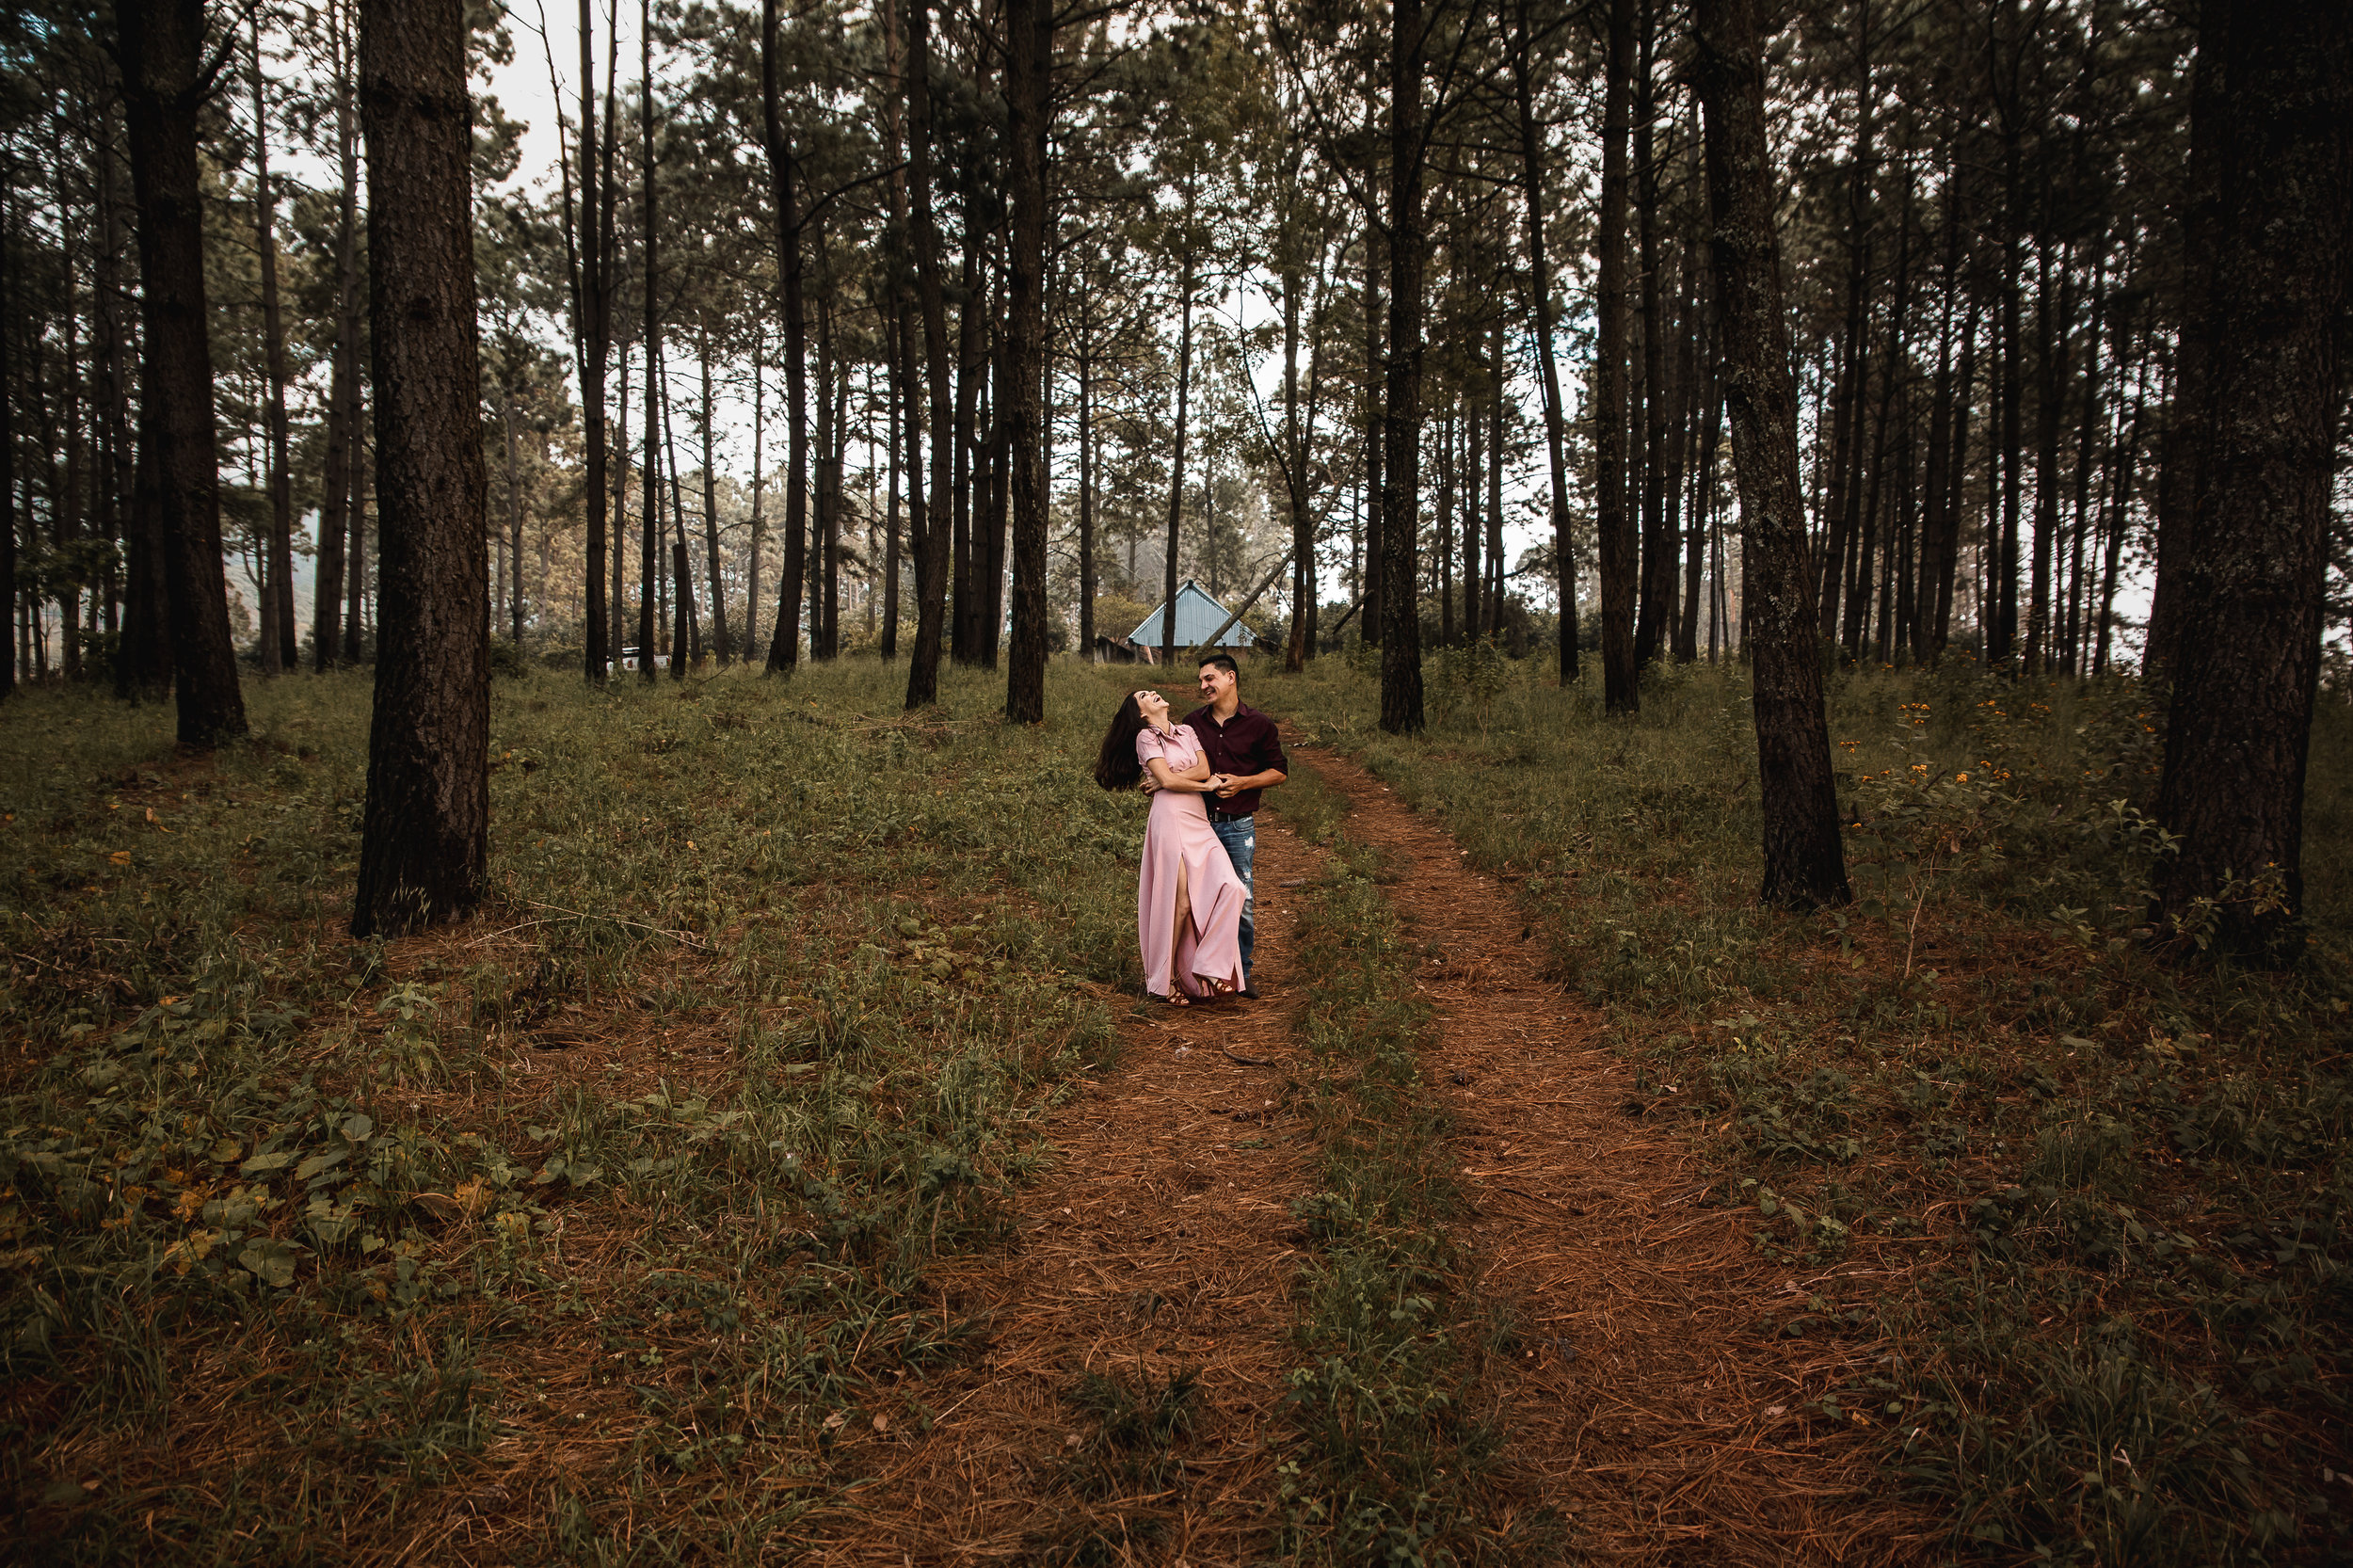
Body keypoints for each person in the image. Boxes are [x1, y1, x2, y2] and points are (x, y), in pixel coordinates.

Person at [1094, 688, 1248, 1005]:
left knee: (1233, 887)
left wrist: (1169, 778)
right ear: (1140, 714)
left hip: (1196, 818)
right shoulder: (1145, 739)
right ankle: (1167, 980)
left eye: (1151, 691)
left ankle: (1207, 965)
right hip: (1170, 819)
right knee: (1180, 904)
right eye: (1144, 696)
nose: (1153, 693)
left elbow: (1198, 769)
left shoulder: (1187, 731)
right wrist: (1194, 784)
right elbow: (1183, 780)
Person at [1160, 653, 1288, 999]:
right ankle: (1188, 976)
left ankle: (1240, 974)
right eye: (1201, 681)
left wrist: (1244, 783)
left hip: (1236, 827)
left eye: (1209, 679)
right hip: (1196, 826)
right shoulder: (1190, 723)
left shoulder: (1259, 724)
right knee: (1190, 901)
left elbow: (1278, 772)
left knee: (1239, 899)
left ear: (1230, 677)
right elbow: (1173, 762)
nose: (1203, 686)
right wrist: (1159, 780)